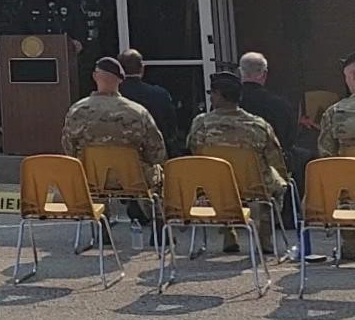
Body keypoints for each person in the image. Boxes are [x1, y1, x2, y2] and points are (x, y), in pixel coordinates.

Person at [188, 71, 289, 255]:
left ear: (218, 95)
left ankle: (229, 235)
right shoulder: (258, 125)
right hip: (253, 188)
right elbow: (276, 160)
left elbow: (196, 152)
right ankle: (264, 239)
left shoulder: (201, 125)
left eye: (212, 93)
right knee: (275, 183)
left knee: (218, 178)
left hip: (215, 188)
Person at [62, 57, 167, 189]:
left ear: (95, 76)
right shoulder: (138, 112)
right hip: (134, 181)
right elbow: (157, 153)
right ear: (121, 79)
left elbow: (69, 150)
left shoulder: (77, 111)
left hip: (89, 180)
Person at [316, 51, 355, 254]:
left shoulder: (333, 113)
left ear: (352, 77)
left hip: (349, 192)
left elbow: (326, 158)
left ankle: (350, 245)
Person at [237, 51, 299, 169]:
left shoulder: (225, 106)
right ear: (264, 74)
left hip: (230, 174)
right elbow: (288, 142)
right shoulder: (280, 105)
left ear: (240, 72)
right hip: (268, 174)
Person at [117, 50, 183, 157]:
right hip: (152, 160)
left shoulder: (114, 96)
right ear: (142, 68)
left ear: (119, 70)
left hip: (118, 159)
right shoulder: (160, 94)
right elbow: (171, 129)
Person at [23, 0, 89, 54]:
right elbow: (20, 25)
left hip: (64, 51)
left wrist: (79, 42)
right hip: (36, 51)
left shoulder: (71, 3)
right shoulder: (30, 3)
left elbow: (80, 26)